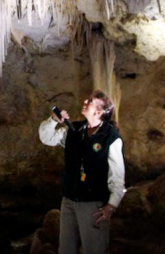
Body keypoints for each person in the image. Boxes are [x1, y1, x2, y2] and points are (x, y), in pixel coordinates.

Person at [39, 90, 125, 254]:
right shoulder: (74, 130)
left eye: (91, 101)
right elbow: (47, 138)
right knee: (66, 249)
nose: (85, 101)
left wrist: (110, 206)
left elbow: (117, 176)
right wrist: (53, 120)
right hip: (70, 199)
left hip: (93, 203)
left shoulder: (111, 138)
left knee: (93, 249)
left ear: (99, 112)